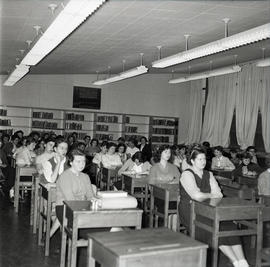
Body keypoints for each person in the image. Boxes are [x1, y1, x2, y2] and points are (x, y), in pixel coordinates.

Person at [179, 146, 250, 267]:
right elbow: (196, 196)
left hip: (210, 209)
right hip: (191, 211)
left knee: (230, 225)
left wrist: (206, 195)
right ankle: (235, 261)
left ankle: (243, 261)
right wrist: (211, 194)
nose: (203, 162)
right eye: (199, 159)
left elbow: (219, 194)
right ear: (192, 161)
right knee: (214, 227)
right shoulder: (187, 174)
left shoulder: (209, 174)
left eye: (204, 159)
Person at [55, 149, 97, 224]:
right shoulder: (65, 176)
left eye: (83, 161)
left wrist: (96, 201)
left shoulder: (85, 176)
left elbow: (90, 196)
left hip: (82, 208)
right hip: (66, 209)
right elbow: (71, 200)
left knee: (110, 223)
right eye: (78, 161)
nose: (82, 164)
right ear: (71, 162)